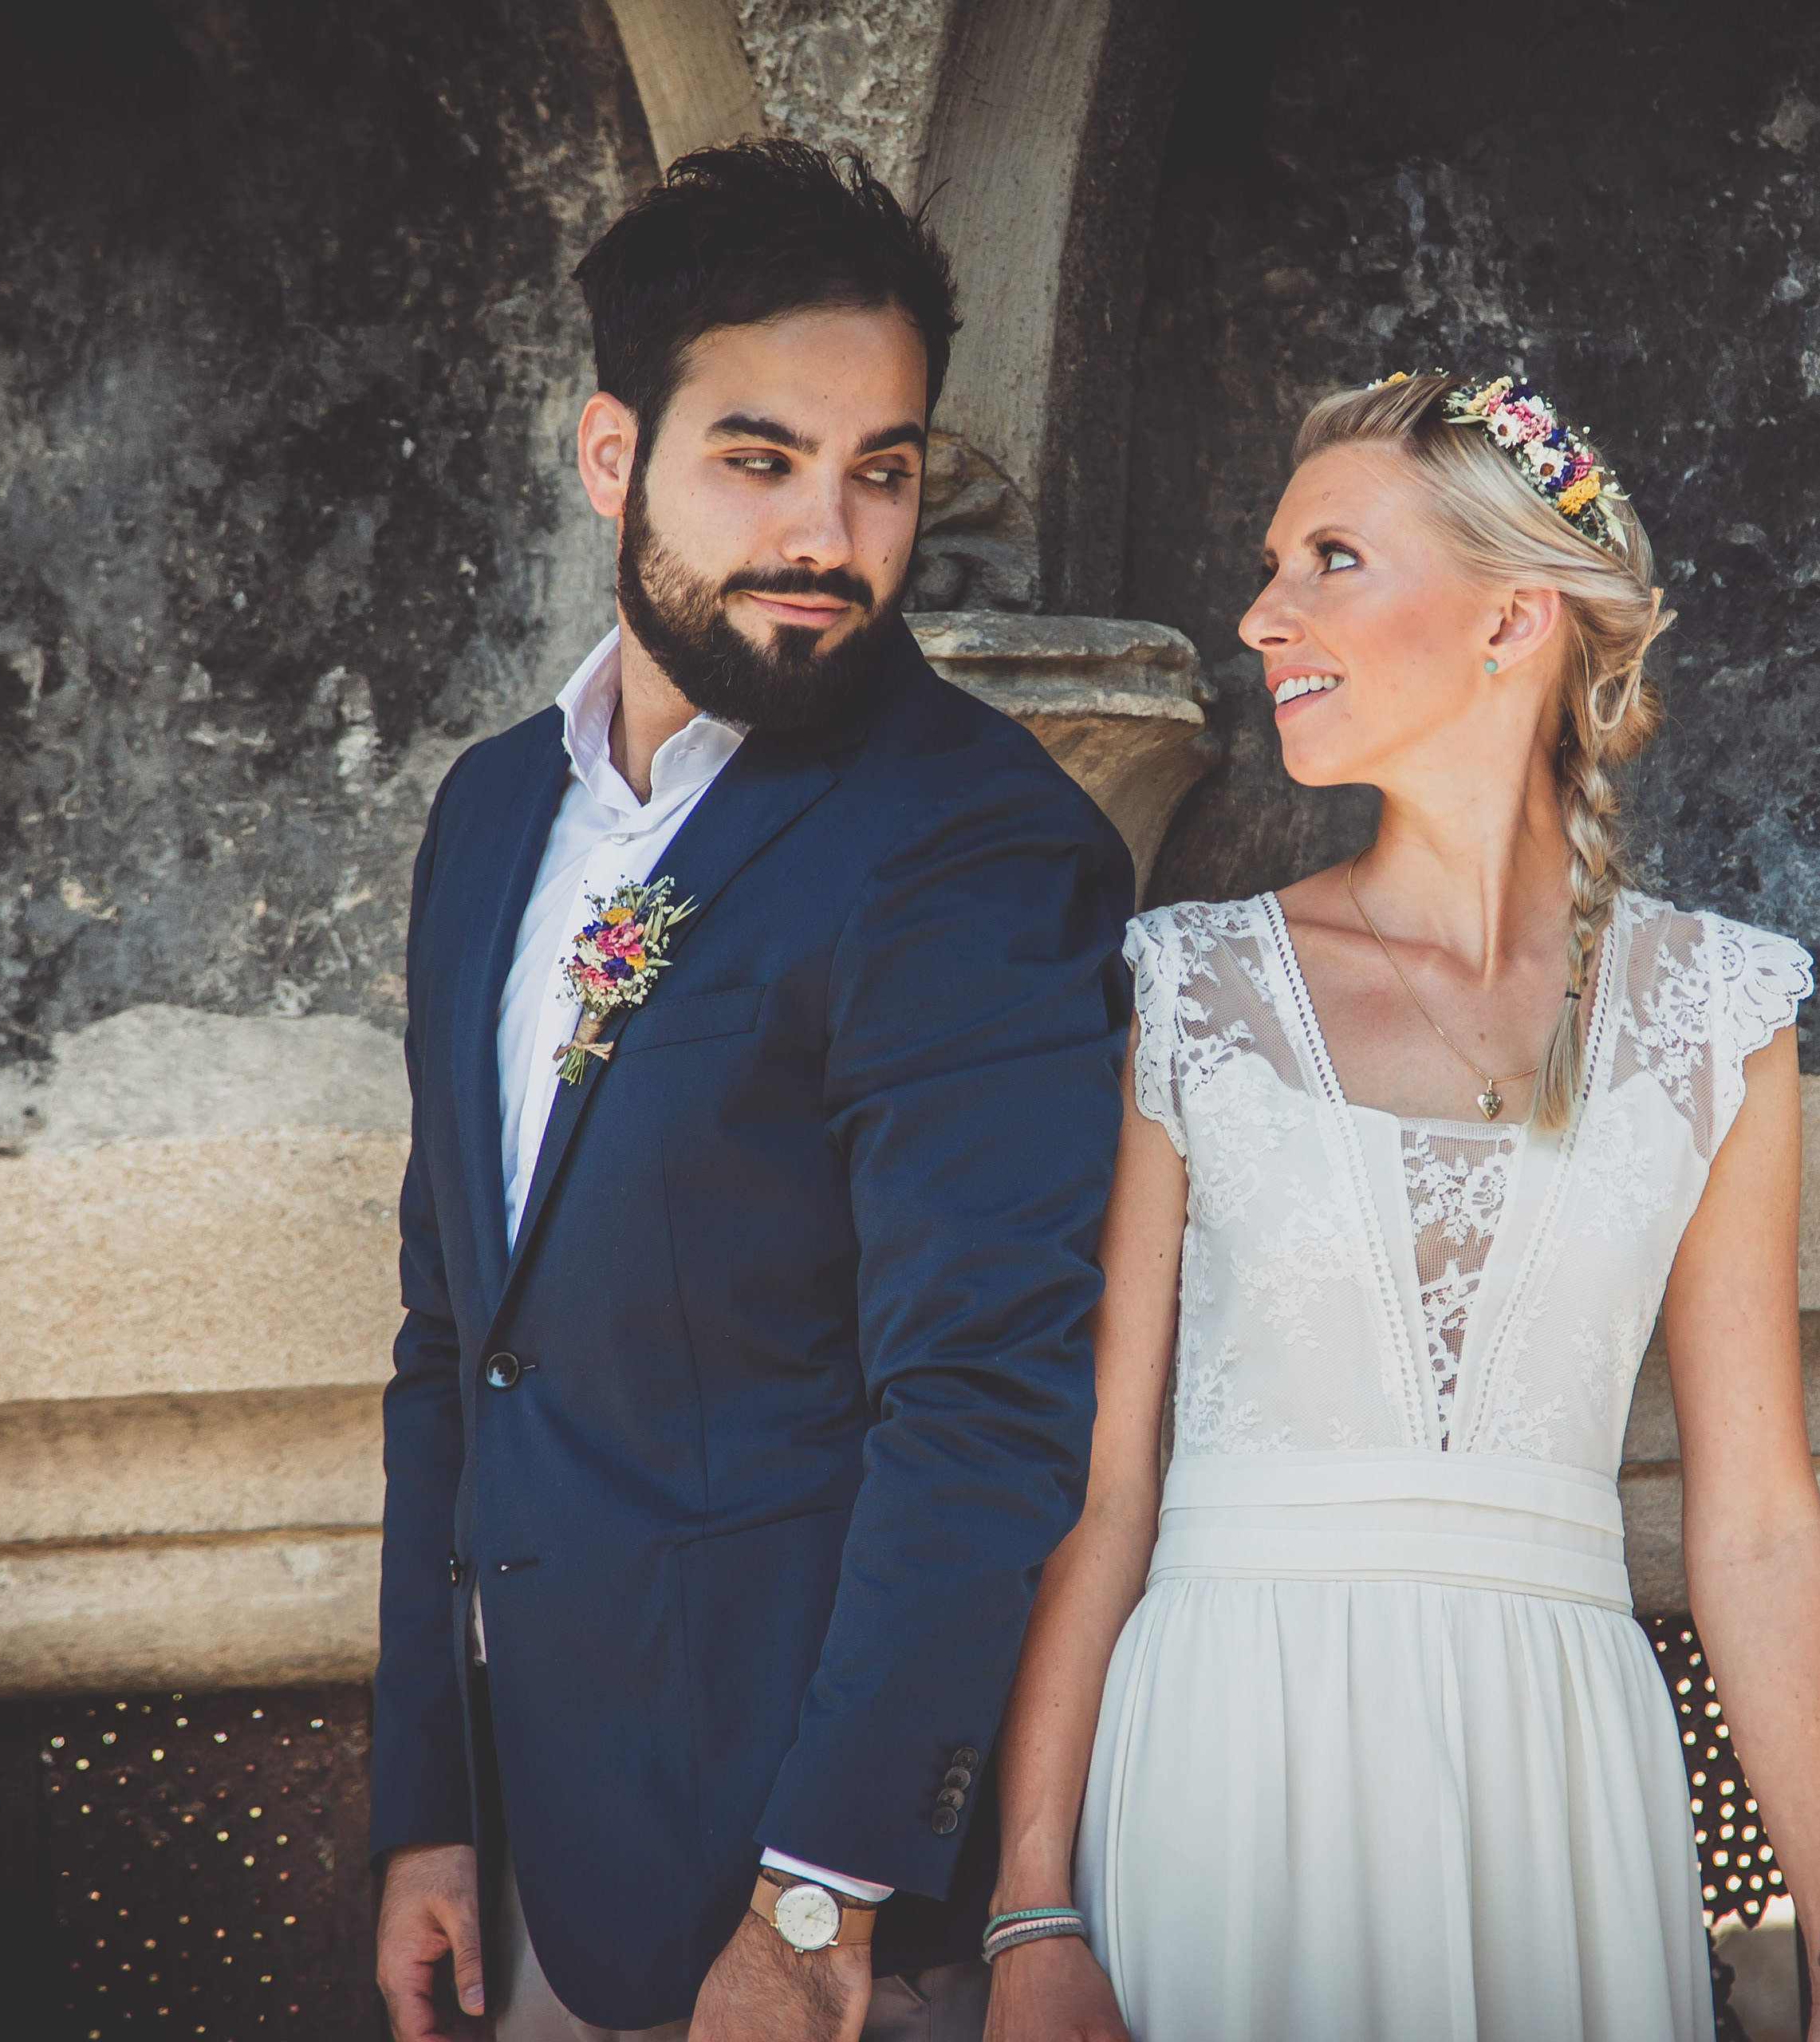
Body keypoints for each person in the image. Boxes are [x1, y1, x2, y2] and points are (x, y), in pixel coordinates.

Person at [980, 371, 1820, 2042]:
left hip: (1559, 1773)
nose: (1261, 616)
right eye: (1272, 567)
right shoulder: (1190, 989)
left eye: (1330, 559)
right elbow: (1103, 1489)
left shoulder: (1717, 1015)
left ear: (1512, 620)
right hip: (1228, 1756)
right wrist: (1030, 1908)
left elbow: (1757, 1522)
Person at [368, 140, 1133, 2042]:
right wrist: (430, 1802)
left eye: (882, 470)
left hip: (815, 1915)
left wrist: (815, 1896)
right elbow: (454, 1337)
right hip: (537, 1862)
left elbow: (983, 1404)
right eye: (760, 459)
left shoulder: (969, 845)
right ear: (610, 454)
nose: (829, 534)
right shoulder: (488, 814)